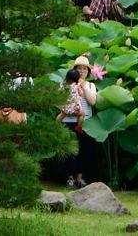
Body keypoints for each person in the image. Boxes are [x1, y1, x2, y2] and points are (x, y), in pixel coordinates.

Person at [62, 56, 98, 188]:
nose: (82, 71)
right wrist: (69, 111)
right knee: (70, 150)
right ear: (75, 70)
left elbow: (92, 101)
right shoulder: (66, 85)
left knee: (84, 150)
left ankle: (80, 178)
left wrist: (83, 85)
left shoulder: (90, 85)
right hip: (69, 120)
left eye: (85, 69)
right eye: (79, 69)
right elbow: (59, 101)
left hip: (85, 121)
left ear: (88, 72)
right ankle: (70, 178)